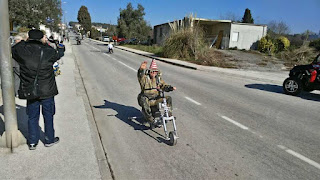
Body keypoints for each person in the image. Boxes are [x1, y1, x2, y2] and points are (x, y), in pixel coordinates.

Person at [12, 29, 60, 150]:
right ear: (41, 38)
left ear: (29, 38)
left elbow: (15, 48)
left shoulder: (22, 50)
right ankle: (49, 139)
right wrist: (48, 42)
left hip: (30, 89)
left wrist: (25, 41)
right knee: (48, 115)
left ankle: (32, 142)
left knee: (32, 116)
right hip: (47, 90)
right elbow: (59, 53)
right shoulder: (48, 51)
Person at [137, 59, 176, 126]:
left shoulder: (158, 79)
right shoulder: (144, 78)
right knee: (143, 99)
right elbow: (140, 75)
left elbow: (164, 86)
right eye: (152, 71)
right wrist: (141, 70)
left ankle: (169, 114)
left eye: (155, 71)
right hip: (146, 99)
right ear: (149, 71)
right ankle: (150, 119)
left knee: (168, 98)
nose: (153, 73)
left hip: (155, 99)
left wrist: (170, 88)